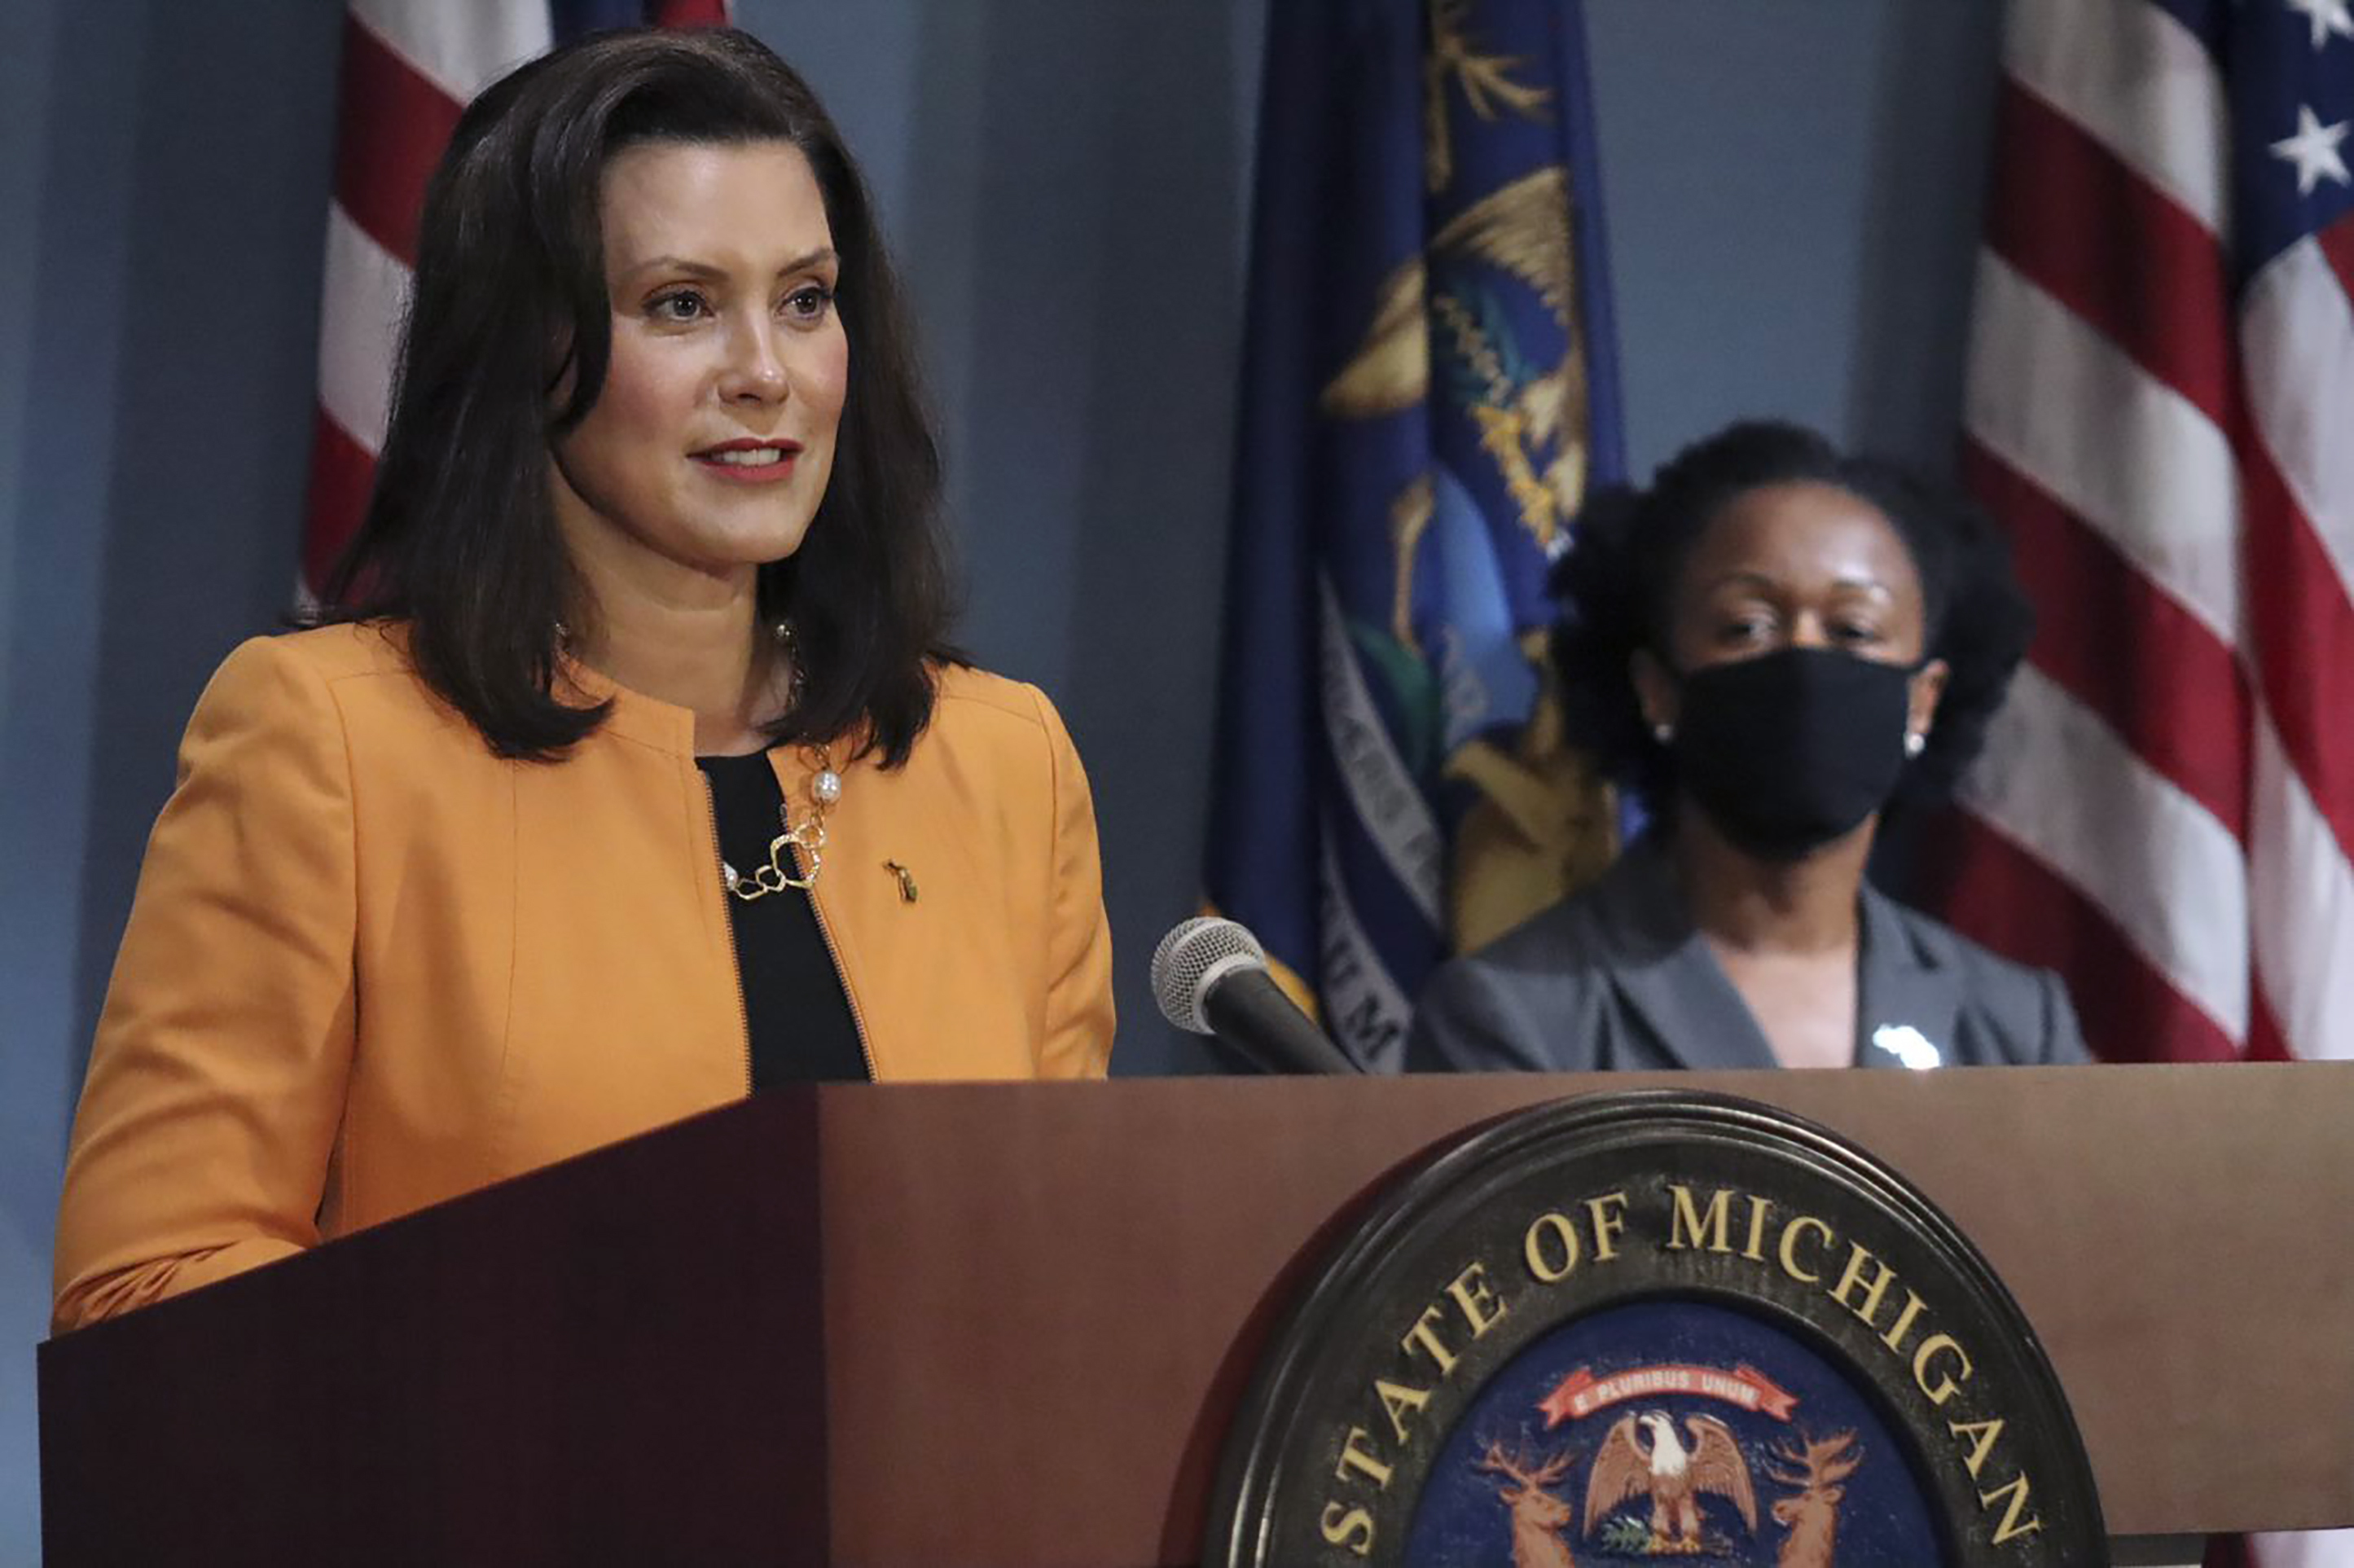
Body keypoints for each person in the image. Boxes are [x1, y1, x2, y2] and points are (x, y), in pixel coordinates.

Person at [52, 28, 1114, 1333]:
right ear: (527, 347)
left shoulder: (1004, 766)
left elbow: (1067, 1304)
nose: (764, 374)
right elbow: (146, 1301)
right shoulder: (329, 744)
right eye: (681, 304)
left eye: (804, 299)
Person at [1408, 420, 2086, 1075]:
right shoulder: (1514, 1016)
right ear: (1657, 689)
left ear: (1924, 700)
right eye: (1746, 625)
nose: (1802, 660)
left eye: (1853, 628)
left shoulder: (2018, 1026)